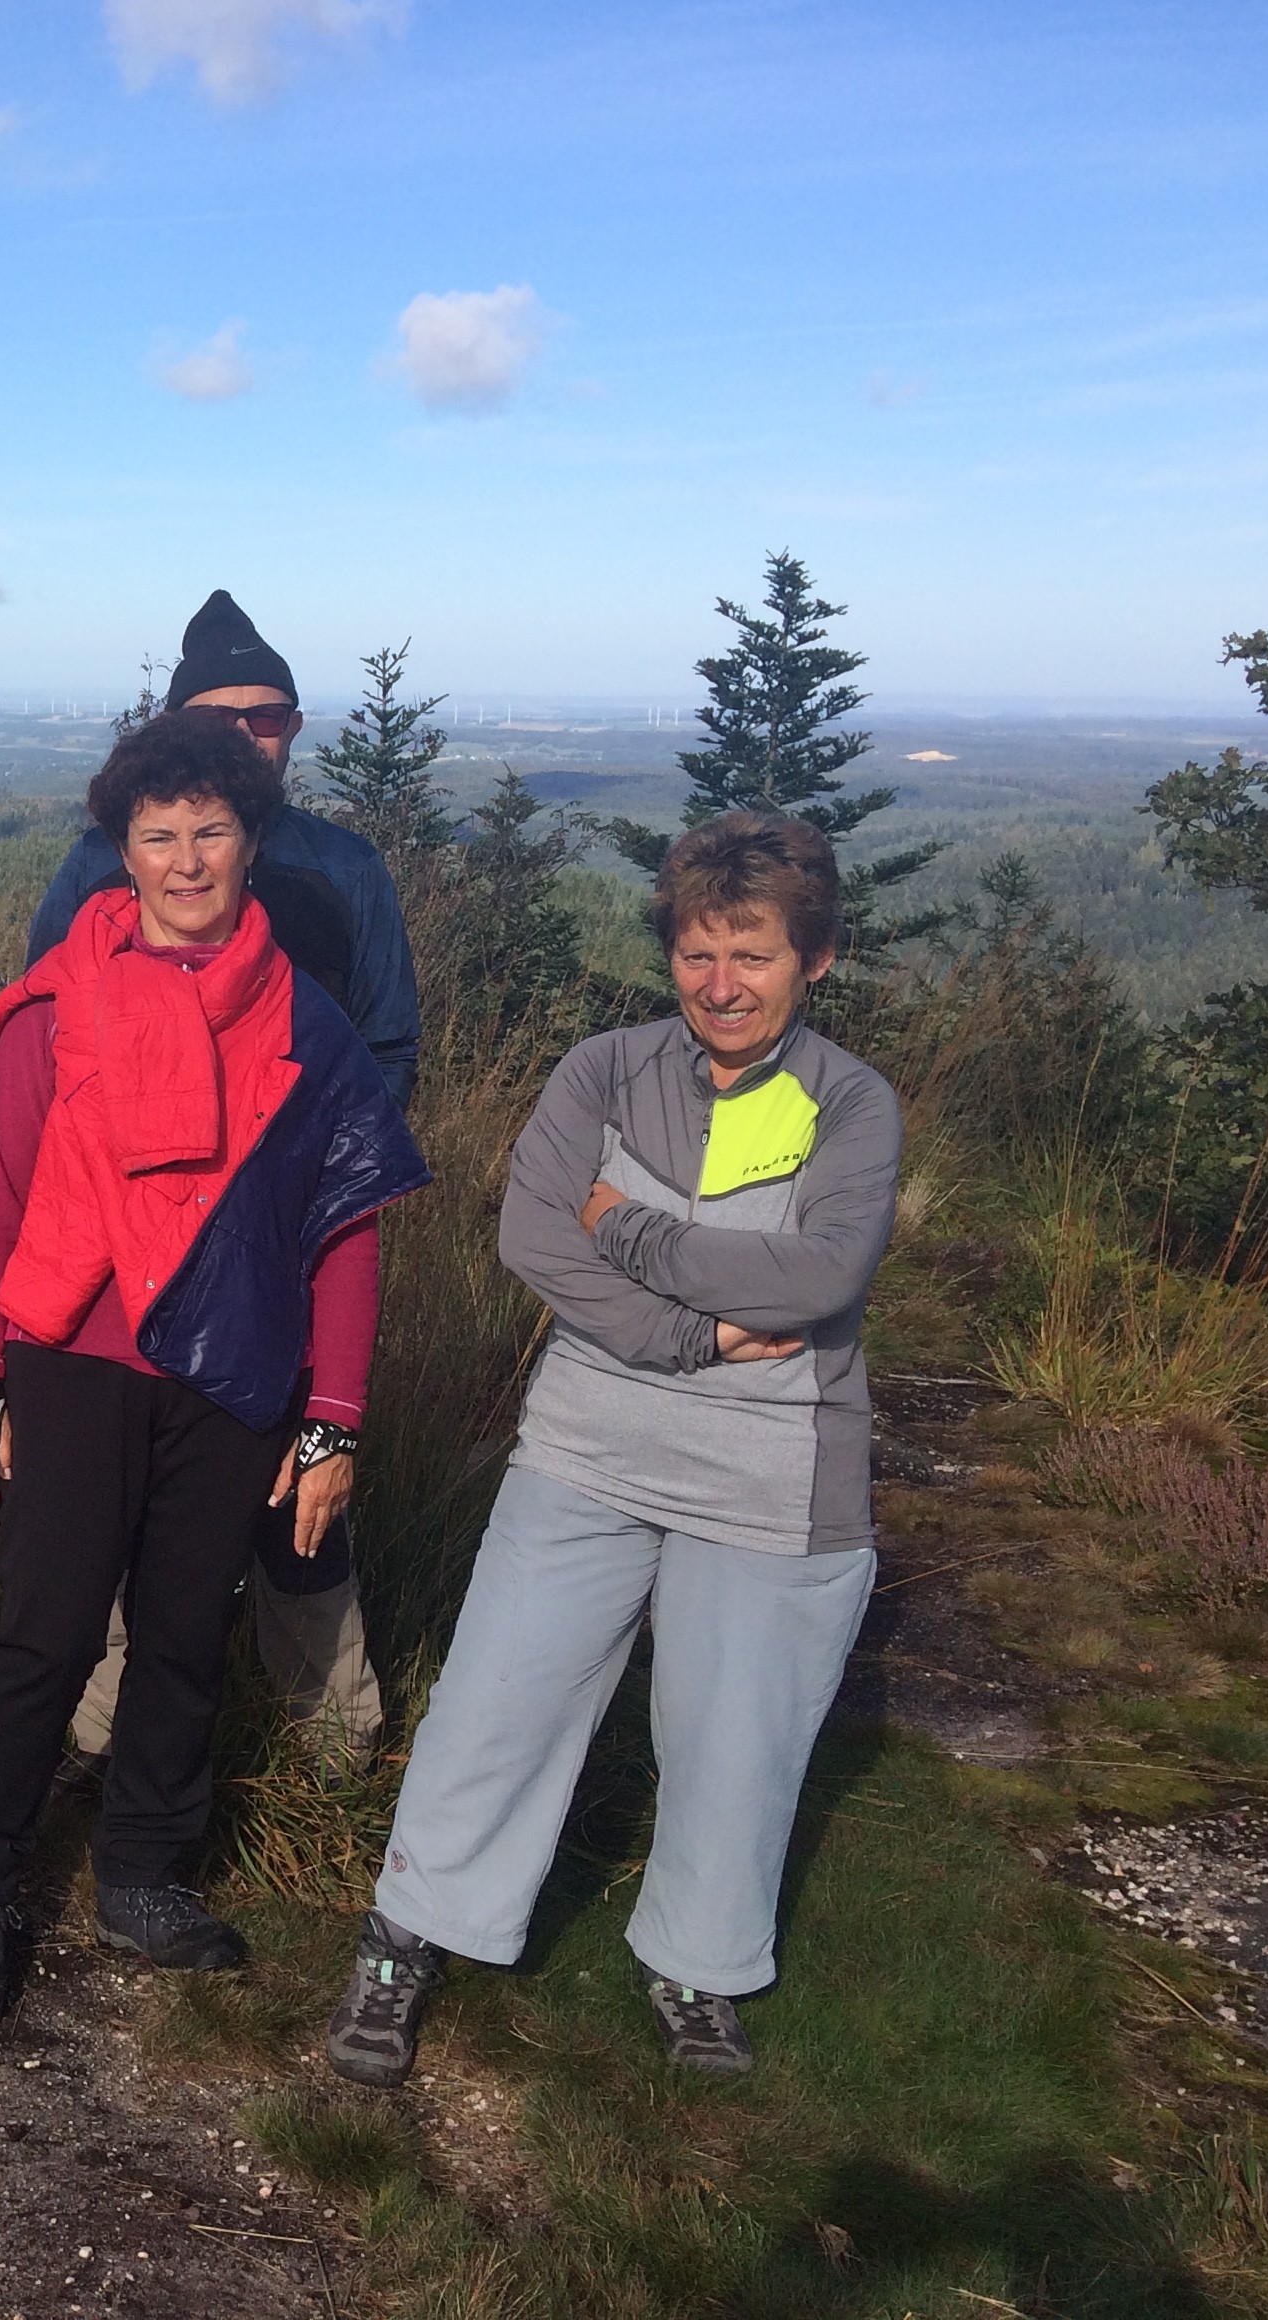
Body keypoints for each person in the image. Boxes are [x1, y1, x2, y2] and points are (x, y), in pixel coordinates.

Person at [326, 811, 899, 2087]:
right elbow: (534, 1238)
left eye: (752, 955)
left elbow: (819, 1271)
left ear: (815, 959)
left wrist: (626, 1229)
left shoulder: (853, 1103)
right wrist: (693, 1332)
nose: (721, 985)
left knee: (738, 1734)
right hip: (588, 1445)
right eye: (699, 954)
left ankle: (700, 1966)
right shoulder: (602, 1070)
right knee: (498, 1695)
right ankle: (410, 1933)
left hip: (778, 1470)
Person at [0, 708, 430, 2019]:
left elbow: (345, 1235)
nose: (187, 859)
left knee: (186, 1638)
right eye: (160, 835)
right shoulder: (48, 1020)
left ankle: (140, 1870)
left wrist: (334, 1423)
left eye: (212, 831)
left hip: (234, 1373)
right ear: (123, 852)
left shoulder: (310, 1036)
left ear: (252, 844)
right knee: (39, 1638)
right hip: (74, 1363)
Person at [28, 592, 419, 1778]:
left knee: (301, 1493)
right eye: (222, 716)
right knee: (128, 1511)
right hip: (129, 1255)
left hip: (287, 1241)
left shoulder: (344, 869)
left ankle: (331, 1747)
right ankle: (101, 1743)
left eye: (272, 715)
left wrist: (317, 1182)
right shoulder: (103, 866)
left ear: (295, 729)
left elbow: (387, 1049)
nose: (251, 736)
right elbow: (47, 1046)